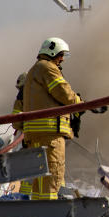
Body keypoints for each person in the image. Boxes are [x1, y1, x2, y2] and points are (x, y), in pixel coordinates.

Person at [23, 37, 82, 200]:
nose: (62, 59)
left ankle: (37, 214)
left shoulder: (34, 70)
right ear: (52, 51)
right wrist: (80, 103)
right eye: (60, 55)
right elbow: (63, 93)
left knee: (40, 180)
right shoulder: (48, 67)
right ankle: (49, 215)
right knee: (53, 176)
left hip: (36, 135)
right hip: (49, 134)